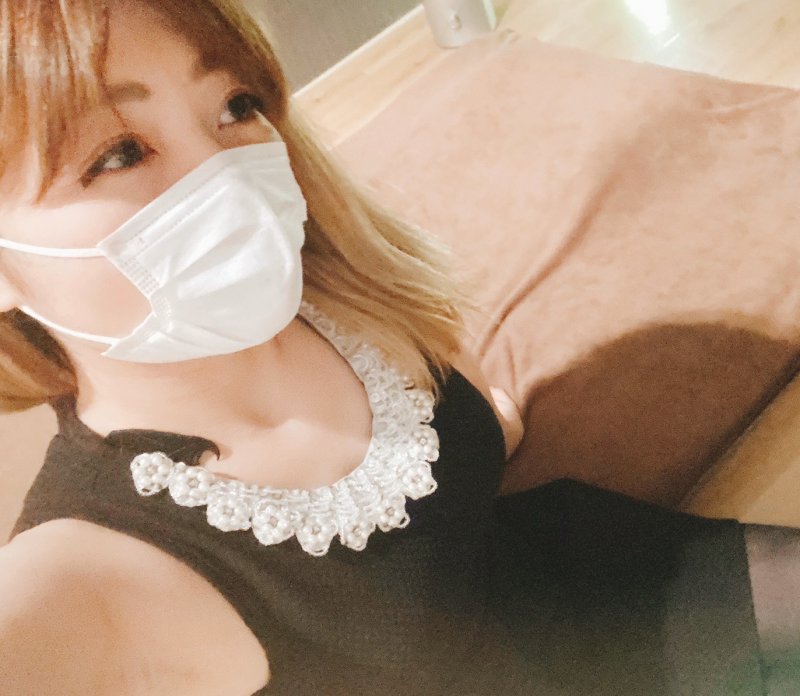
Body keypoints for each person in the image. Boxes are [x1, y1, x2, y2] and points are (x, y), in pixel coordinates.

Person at [0, 1, 797, 694]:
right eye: (118, 153)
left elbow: (485, 417)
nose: (227, 176)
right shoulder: (86, 571)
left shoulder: (347, 289)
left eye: (236, 105)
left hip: (600, 589)